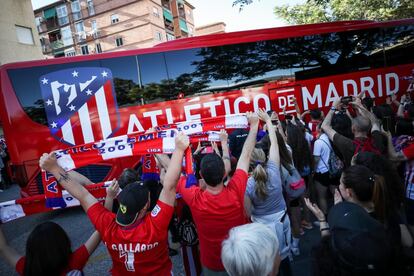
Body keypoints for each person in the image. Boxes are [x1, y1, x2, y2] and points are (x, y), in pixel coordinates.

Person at [39, 132, 190, 275]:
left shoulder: (107, 225)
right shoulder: (155, 225)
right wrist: (179, 149)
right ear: (145, 206)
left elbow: (83, 194)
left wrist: (53, 168)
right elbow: (169, 185)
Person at [176, 112, 259, 275]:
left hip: (212, 267)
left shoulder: (194, 198)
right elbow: (246, 155)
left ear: (201, 176)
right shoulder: (236, 190)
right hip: (241, 262)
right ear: (224, 173)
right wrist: (254, 126)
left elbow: (173, 175)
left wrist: (165, 150)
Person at [244, 109, 291, 275]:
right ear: (264, 157)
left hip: (262, 228)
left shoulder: (247, 185)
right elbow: (275, 142)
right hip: (282, 222)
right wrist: (268, 122)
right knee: (284, 261)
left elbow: (247, 212)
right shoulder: (273, 171)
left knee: (267, 264)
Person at [309, 202, 395, 276]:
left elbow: (328, 248)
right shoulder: (384, 258)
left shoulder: (332, 265)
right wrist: (322, 221)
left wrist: (322, 221)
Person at [0, 221, 100, 276]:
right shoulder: (74, 261)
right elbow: (100, 230)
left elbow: (3, 247)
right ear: (63, 243)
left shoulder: (26, 268)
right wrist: (109, 197)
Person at [322, 97, 386, 167]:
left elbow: (324, 126)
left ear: (352, 129)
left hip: (357, 176)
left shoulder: (348, 145)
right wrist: (360, 106)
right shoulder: (377, 138)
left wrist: (333, 107)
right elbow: (374, 122)